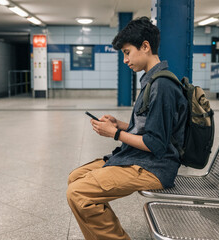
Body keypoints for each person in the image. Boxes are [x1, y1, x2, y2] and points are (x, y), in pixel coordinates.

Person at [66, 16, 188, 240]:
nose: (125, 60)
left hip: (154, 167)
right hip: (139, 158)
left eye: (127, 52)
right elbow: (148, 127)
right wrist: (119, 125)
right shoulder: (151, 81)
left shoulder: (162, 86)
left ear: (145, 46)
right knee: (75, 178)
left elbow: (155, 143)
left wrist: (115, 134)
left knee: (78, 192)